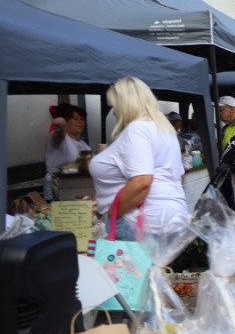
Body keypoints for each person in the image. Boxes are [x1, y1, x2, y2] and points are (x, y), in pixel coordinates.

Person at [89, 77, 188, 237]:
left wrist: (113, 213)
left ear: (125, 104)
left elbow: (142, 182)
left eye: (115, 106)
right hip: (172, 217)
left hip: (137, 222)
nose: (114, 112)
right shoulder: (164, 129)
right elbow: (179, 174)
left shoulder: (137, 129)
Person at [44, 103, 90, 200]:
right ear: (66, 121)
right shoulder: (61, 139)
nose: (80, 122)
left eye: (82, 119)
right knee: (60, 210)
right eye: (75, 119)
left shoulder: (83, 144)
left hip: (77, 188)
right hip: (59, 186)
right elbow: (59, 134)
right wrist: (60, 127)